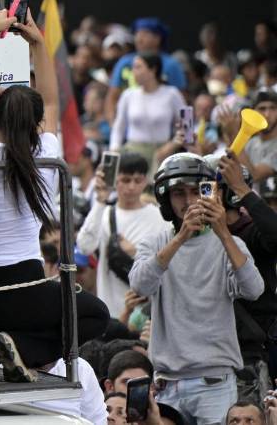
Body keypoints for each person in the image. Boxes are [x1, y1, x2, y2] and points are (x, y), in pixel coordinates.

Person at [0, 11, 110, 382]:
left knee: (25, 312)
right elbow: (52, 101)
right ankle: (14, 347)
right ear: (36, 126)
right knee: (96, 314)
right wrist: (38, 43)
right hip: (18, 292)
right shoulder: (47, 156)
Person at [130, 153, 264, 425]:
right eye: (179, 193)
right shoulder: (154, 242)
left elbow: (254, 289)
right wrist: (181, 238)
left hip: (215, 383)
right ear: (166, 199)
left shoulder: (230, 244)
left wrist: (223, 232)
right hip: (167, 384)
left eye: (196, 191)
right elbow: (140, 284)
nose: (189, 201)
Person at [216, 152, 277, 405]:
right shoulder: (192, 235)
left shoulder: (250, 231)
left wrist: (241, 189)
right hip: (211, 351)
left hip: (254, 350)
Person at [76, 152, 168, 318]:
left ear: (145, 181)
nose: (131, 187)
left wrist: (136, 254)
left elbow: (169, 265)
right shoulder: (103, 214)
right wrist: (100, 201)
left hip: (146, 315)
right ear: (115, 180)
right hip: (111, 312)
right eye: (126, 180)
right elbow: (84, 247)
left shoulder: (159, 218)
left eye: (137, 180)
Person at [110, 52, 185, 170]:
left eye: (138, 67)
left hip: (162, 153)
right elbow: (119, 127)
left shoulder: (172, 94)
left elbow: (186, 126)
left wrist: (172, 145)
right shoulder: (128, 95)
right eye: (133, 67)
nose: (133, 72)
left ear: (153, 70)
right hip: (133, 153)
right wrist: (114, 149)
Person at [108, 18, 188, 121]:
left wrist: (183, 128)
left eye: (144, 34)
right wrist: (113, 124)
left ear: (157, 38)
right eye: (137, 34)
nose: (139, 39)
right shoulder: (124, 63)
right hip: (130, 126)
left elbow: (183, 103)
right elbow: (112, 97)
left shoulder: (172, 65)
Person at [241, 91, 277, 182]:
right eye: (262, 109)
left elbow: (254, 176)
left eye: (273, 108)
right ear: (253, 112)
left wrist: (232, 135)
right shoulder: (251, 142)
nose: (267, 115)